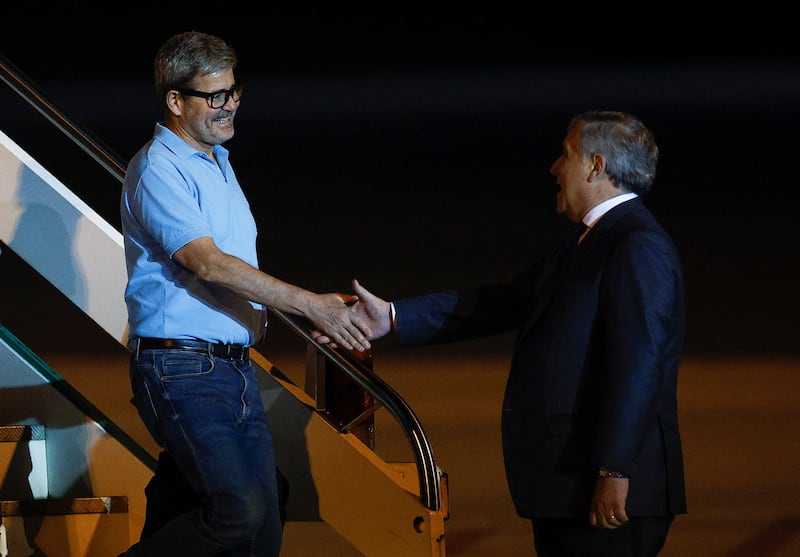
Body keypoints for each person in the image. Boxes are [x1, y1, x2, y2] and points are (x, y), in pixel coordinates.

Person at [325, 111, 687, 556]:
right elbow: (504, 301)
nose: (555, 167)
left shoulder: (635, 245)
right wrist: (394, 317)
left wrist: (614, 471)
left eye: (566, 155)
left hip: (608, 489)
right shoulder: (588, 240)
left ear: (597, 166)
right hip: (568, 483)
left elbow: (639, 367)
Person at [118, 31, 371, 557]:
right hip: (182, 367)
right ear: (175, 102)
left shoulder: (215, 160)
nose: (229, 104)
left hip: (228, 366)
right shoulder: (159, 169)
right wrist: (307, 302)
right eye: (215, 96)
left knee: (261, 516)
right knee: (238, 512)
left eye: (233, 91)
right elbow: (207, 263)